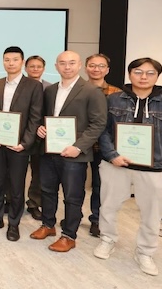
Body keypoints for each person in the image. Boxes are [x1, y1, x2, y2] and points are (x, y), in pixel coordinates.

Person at [94, 57, 162, 276]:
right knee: (108, 206)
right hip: (116, 165)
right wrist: (112, 155)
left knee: (152, 214)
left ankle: (145, 252)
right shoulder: (113, 100)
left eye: (150, 73)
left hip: (154, 168)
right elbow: (103, 131)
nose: (144, 77)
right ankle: (107, 239)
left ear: (157, 76)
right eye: (138, 72)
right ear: (129, 74)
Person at [31, 51, 107, 252]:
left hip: (74, 154)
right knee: (47, 191)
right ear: (56, 66)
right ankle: (48, 225)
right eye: (62, 63)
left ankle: (69, 235)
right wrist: (40, 128)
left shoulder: (92, 91)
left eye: (71, 63)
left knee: (72, 196)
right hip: (49, 150)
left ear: (79, 65)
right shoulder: (50, 90)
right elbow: (44, 117)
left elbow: (98, 123)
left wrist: (79, 147)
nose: (67, 67)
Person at [0, 47, 43, 241]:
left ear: (22, 62)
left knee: (16, 187)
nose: (10, 63)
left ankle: (14, 223)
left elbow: (35, 117)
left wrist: (25, 143)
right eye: (7, 60)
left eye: (15, 59)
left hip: (19, 146)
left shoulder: (33, 86)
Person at [84, 53, 122, 237]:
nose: (96, 69)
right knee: (73, 184)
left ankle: (97, 220)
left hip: (104, 147)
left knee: (100, 186)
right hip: (80, 145)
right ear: (86, 68)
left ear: (107, 70)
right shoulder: (78, 89)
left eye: (100, 66)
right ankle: (72, 217)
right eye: (92, 65)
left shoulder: (117, 94)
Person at [24, 55, 50, 220]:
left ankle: (34, 203)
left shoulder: (50, 88)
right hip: (20, 135)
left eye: (38, 66)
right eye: (31, 66)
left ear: (44, 69)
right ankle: (11, 200)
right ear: (26, 68)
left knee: (38, 173)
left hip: (41, 136)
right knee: (13, 172)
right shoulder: (19, 86)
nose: (35, 69)